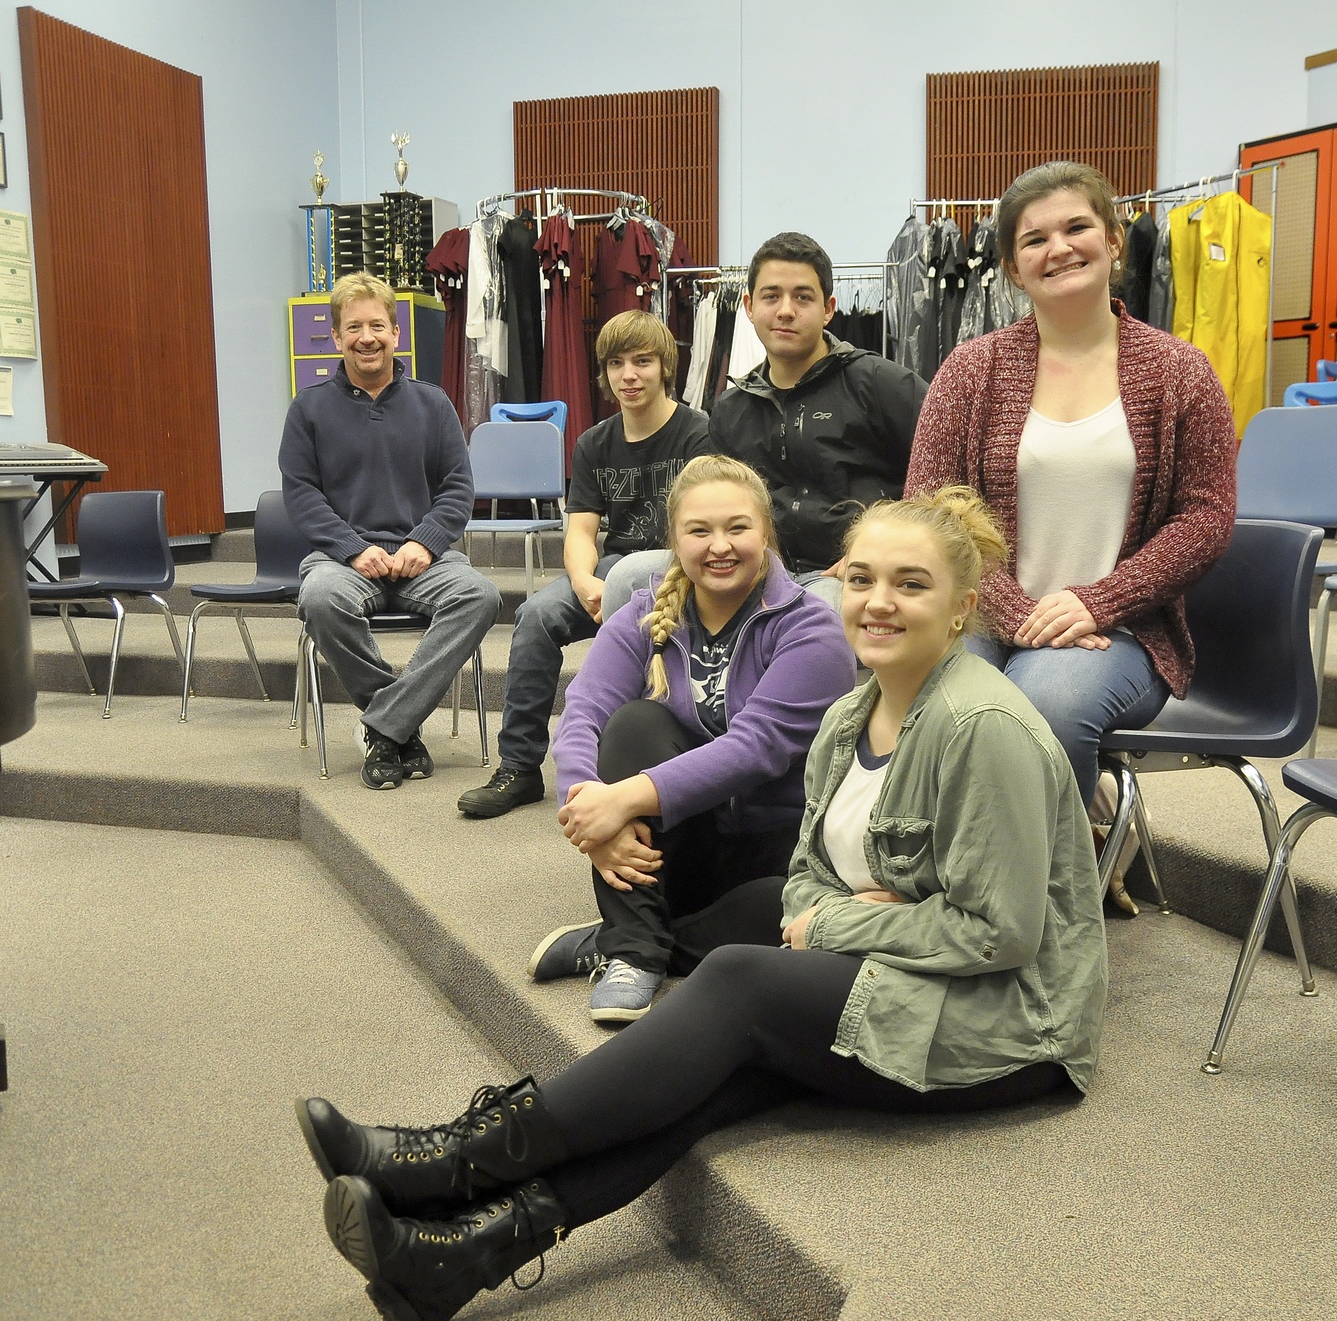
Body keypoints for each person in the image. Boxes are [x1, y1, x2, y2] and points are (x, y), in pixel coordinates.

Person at [296, 486, 1103, 1321]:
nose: (878, 602)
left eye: (911, 584)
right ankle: (455, 1258)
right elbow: (806, 878)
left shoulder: (981, 726)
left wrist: (834, 926)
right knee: (712, 1068)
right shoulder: (851, 717)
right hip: (907, 963)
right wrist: (838, 911)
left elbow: (997, 936)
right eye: (863, 578)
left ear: (962, 606)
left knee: (737, 980)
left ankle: (451, 1159)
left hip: (1008, 1024)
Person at [904, 161, 1236, 887]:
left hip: (1119, 630)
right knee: (915, 686)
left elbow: (1207, 517)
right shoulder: (970, 370)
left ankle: (1047, 910)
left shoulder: (1181, 371)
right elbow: (929, 510)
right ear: (1011, 267)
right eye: (1034, 239)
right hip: (981, 611)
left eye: (1077, 227)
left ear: (1114, 240)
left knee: (1043, 704)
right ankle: (948, 884)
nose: (1058, 248)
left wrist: (1100, 599)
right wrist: (1016, 613)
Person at [521, 454, 855, 1023]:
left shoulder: (813, 630)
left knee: (803, 920)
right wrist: (588, 817)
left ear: (766, 533)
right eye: (699, 531)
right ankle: (634, 950)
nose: (719, 546)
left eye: (737, 528)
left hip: (778, 852)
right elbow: (583, 713)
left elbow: (755, 748)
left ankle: (626, 936)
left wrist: (620, 801)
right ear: (675, 540)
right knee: (635, 724)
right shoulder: (644, 614)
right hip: (674, 848)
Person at [457, 312, 712, 819]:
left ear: (665, 367)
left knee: (629, 588)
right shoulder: (594, 442)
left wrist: (616, 584)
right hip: (615, 566)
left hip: (682, 569)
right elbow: (579, 532)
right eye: (616, 364)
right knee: (535, 616)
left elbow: (707, 527)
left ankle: (639, 763)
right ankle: (519, 766)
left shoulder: (698, 433)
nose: (628, 375)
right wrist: (585, 583)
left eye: (642, 362)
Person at [282, 273, 503, 791]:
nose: (367, 337)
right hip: (342, 561)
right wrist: (352, 549)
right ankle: (400, 727)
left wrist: (425, 542)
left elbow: (458, 488)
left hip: (423, 559)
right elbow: (302, 495)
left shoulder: (434, 404)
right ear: (336, 337)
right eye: (354, 327)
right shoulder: (307, 409)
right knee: (319, 599)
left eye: (377, 326)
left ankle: (384, 728)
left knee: (480, 596)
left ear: (396, 332)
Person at [709, 231, 929, 612]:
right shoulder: (730, 410)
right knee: (630, 576)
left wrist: (881, 549)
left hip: (853, 575)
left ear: (828, 308)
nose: (786, 310)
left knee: (818, 609)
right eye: (771, 296)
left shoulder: (882, 386)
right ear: (748, 306)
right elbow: (715, 504)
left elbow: (943, 481)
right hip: (753, 570)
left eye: (802, 297)